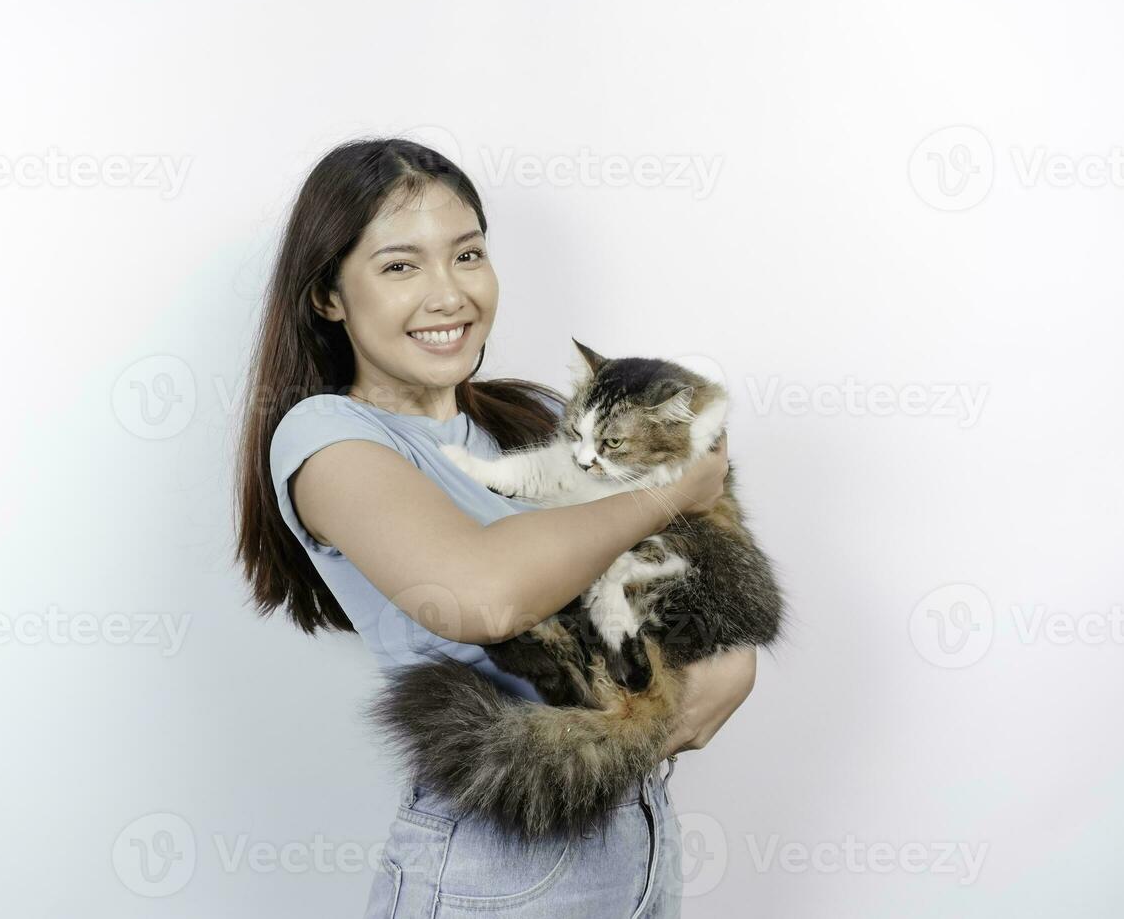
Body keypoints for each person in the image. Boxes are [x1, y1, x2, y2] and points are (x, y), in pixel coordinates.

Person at [234, 138, 757, 918]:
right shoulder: (328, 437)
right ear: (329, 297)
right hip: (500, 858)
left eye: (468, 254)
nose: (450, 295)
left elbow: (697, 554)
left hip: (637, 832)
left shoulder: (539, 420)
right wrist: (670, 495)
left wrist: (733, 651)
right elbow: (482, 596)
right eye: (400, 266)